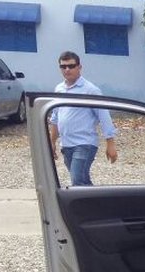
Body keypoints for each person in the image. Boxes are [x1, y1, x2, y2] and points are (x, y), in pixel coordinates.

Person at [49, 51, 117, 187]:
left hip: (84, 144)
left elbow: (104, 116)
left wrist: (110, 144)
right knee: (82, 182)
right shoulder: (59, 89)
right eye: (63, 66)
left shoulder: (90, 90)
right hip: (66, 145)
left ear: (79, 67)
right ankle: (98, 200)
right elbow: (55, 119)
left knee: (77, 180)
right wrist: (52, 142)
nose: (67, 69)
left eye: (71, 66)